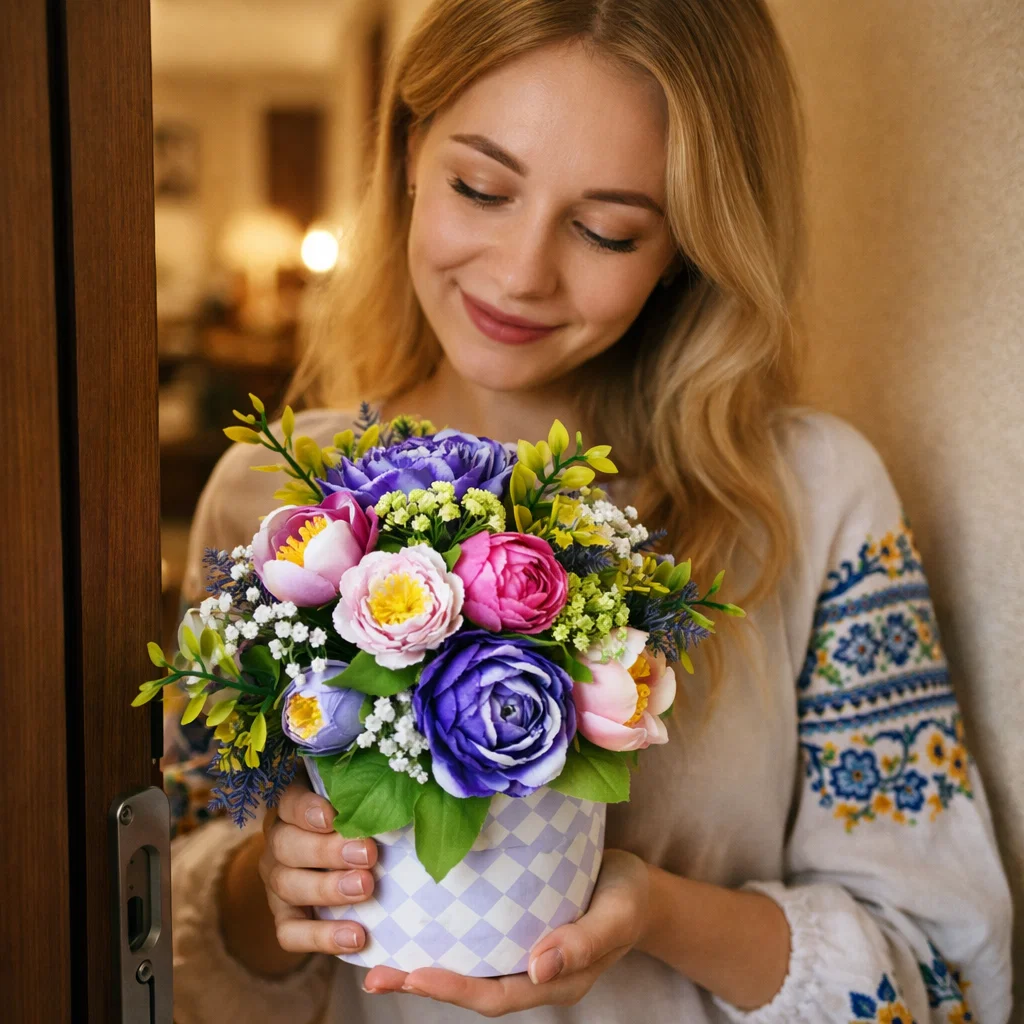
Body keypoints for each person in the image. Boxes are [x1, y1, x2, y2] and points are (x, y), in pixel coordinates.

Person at [166, 1, 1013, 1021]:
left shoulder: (812, 499)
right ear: (405, 153)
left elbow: (944, 977)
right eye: (481, 187)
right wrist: (275, 883)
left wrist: (653, 910)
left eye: (607, 229)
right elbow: (176, 954)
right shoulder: (278, 505)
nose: (522, 273)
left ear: (689, 247)